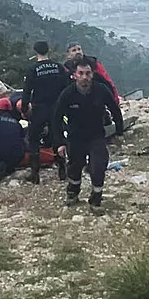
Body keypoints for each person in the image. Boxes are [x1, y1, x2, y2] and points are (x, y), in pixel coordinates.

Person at [52, 57, 124, 214]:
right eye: (81, 73)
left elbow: (115, 110)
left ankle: (96, 200)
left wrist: (119, 132)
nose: (85, 77)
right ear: (75, 75)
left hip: (96, 136)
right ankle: (72, 193)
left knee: (98, 168)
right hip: (75, 138)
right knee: (75, 168)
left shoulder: (101, 90)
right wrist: (59, 143)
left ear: (92, 74)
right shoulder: (67, 94)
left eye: (88, 73)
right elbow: (56, 119)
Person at [21, 40, 70, 184]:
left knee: (34, 139)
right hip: (56, 107)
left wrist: (24, 109)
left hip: (39, 108)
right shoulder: (58, 67)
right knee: (57, 137)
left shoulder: (33, 70)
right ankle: (62, 169)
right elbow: (66, 88)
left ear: (35, 52)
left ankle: (35, 174)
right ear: (48, 50)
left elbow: (27, 92)